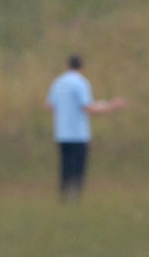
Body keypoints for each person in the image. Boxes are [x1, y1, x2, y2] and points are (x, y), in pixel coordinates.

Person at [46, 55, 126, 202]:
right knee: (78, 167)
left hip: (62, 133)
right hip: (77, 134)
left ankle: (63, 196)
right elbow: (87, 107)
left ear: (67, 65)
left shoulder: (58, 83)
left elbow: (50, 106)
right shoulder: (80, 83)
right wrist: (111, 106)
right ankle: (74, 197)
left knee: (65, 166)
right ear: (82, 67)